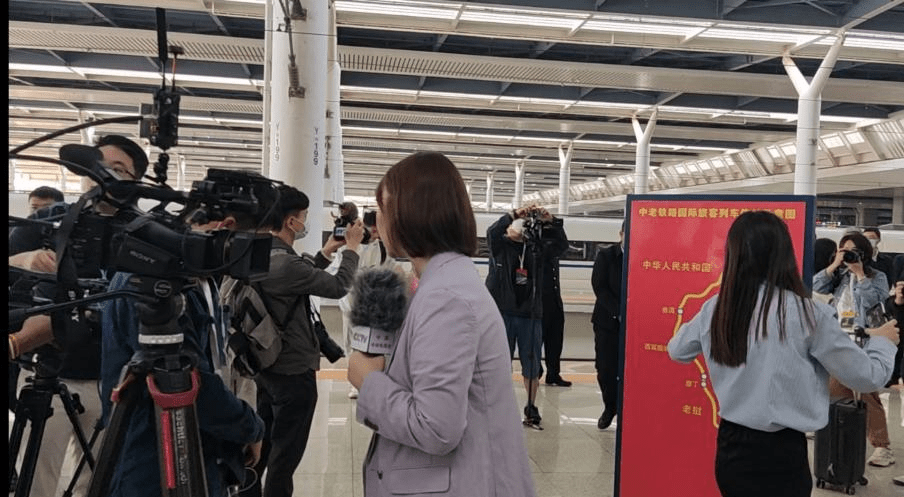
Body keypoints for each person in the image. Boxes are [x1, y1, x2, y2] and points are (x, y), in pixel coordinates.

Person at [667, 210, 899, 497]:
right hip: (782, 453)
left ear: (733, 254)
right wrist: (883, 342)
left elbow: (677, 350)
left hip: (730, 448)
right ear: (785, 255)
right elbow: (867, 377)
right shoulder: (808, 314)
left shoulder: (717, 307)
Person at [347, 151, 536, 497]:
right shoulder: (444, 284)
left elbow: (436, 428)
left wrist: (368, 381)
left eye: (382, 209)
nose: (378, 222)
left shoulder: (445, 298)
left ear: (411, 212)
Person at [8, 134, 149, 497]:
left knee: (98, 481)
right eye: (96, 167)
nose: (104, 177)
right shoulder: (51, 221)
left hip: (113, 380)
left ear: (136, 181)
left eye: (118, 170)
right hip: (47, 372)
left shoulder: (146, 233)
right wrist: (25, 260)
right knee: (36, 480)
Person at [100, 269, 265, 497]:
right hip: (155, 460)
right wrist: (251, 428)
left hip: (200, 449)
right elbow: (193, 386)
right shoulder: (148, 282)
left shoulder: (195, 279)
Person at [246, 185, 363, 497]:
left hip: (265, 365)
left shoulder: (260, 255)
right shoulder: (286, 263)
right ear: (290, 222)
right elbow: (338, 286)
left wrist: (326, 252)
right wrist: (352, 249)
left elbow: (299, 276)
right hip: (293, 371)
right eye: (304, 217)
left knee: (261, 447)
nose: (305, 223)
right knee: (285, 456)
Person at [813, 231, 895, 467]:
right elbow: (816, 285)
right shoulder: (838, 276)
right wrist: (835, 265)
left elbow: (874, 301)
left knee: (864, 390)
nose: (848, 255)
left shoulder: (877, 276)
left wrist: (860, 274)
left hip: (864, 337)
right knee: (837, 389)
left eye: (853, 251)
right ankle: (836, 433)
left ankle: (882, 446)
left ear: (864, 253)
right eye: (844, 250)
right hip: (839, 336)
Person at [486, 203, 569, 425]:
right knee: (500, 363)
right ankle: (497, 407)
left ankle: (531, 407)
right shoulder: (500, 247)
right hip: (503, 313)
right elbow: (492, 232)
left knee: (531, 364)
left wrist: (552, 221)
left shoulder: (536, 250)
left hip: (530, 314)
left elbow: (561, 246)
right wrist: (513, 214)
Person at [337, 209, 400, 399]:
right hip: (350, 305)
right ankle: (354, 384)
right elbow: (342, 275)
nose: (374, 232)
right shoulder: (349, 248)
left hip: (373, 309)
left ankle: (371, 381)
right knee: (350, 344)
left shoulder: (383, 249)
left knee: (372, 346)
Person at [591, 221, 624, 430]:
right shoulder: (607, 255)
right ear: (621, 234)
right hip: (607, 322)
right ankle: (610, 407)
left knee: (630, 369)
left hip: (635, 324)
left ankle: (627, 409)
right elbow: (599, 286)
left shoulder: (643, 257)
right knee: (605, 368)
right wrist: (618, 312)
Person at [541, 218, 572, 388]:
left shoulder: (554, 250)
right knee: (536, 341)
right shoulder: (533, 248)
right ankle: (535, 371)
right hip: (538, 303)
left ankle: (553, 374)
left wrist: (554, 221)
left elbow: (563, 245)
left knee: (555, 341)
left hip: (554, 302)